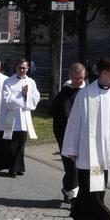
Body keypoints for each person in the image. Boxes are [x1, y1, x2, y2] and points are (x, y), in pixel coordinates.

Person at [62, 57, 110, 220]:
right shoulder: (86, 94)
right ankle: (104, 217)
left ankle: (85, 216)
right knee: (90, 186)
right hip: (88, 151)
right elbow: (74, 122)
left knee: (100, 186)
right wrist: (71, 148)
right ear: (104, 72)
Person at [0, 59, 40, 177]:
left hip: (23, 118)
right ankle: (12, 168)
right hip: (10, 118)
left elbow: (36, 98)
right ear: (16, 68)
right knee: (11, 144)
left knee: (20, 144)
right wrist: (22, 97)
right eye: (20, 68)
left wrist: (27, 94)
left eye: (24, 68)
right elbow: (6, 100)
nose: (22, 70)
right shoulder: (8, 81)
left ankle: (19, 167)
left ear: (28, 68)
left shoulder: (31, 82)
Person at [49, 62, 87, 203]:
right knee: (71, 167)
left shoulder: (87, 92)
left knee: (80, 166)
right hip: (65, 135)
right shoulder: (63, 93)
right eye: (75, 78)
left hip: (83, 136)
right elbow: (56, 117)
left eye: (81, 79)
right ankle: (72, 193)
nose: (78, 81)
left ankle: (69, 190)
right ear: (70, 76)